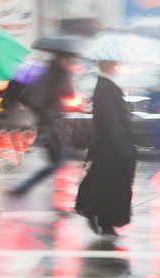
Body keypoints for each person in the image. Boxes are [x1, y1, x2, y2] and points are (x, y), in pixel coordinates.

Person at [73, 60, 137, 236]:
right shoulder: (106, 87)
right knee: (111, 184)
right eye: (114, 64)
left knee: (103, 182)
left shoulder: (106, 85)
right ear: (108, 65)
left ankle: (100, 217)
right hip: (111, 146)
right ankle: (101, 217)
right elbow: (111, 120)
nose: (117, 66)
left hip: (108, 145)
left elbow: (113, 115)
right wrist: (121, 143)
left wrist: (125, 109)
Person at [8, 52, 75, 195]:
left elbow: (69, 95)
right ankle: (24, 188)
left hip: (55, 125)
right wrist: (47, 113)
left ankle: (24, 188)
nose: (70, 62)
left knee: (58, 162)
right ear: (61, 58)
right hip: (51, 126)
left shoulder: (59, 75)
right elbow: (38, 100)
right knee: (58, 163)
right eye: (68, 59)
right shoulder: (51, 77)